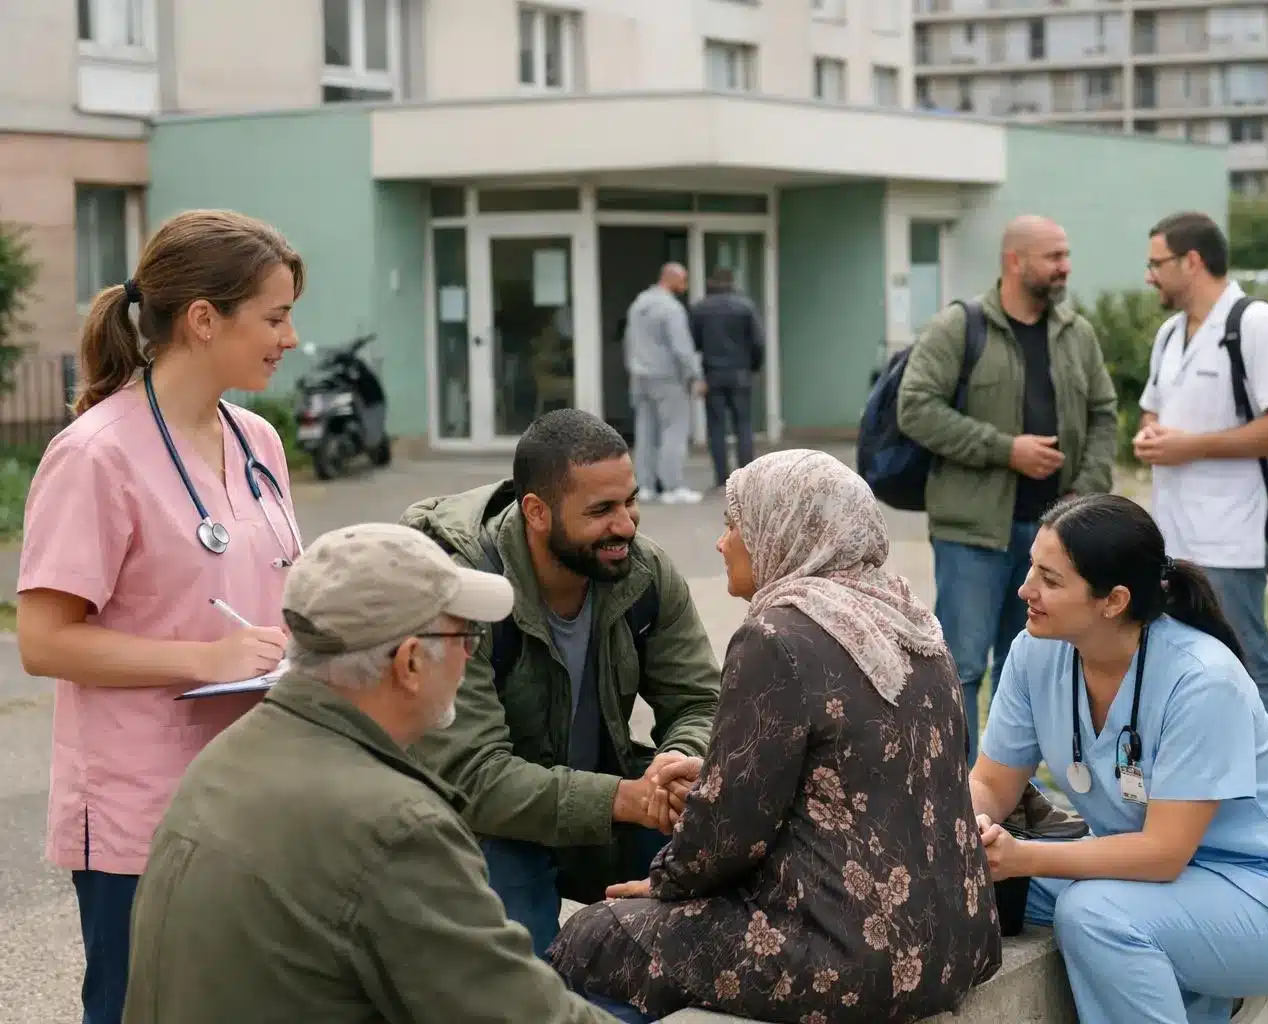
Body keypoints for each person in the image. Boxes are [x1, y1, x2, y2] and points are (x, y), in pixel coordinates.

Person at [551, 450, 1002, 1023]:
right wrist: (716, 774)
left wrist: (663, 884)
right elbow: (853, 772)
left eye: (734, 524)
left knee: (595, 934)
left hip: (852, 954)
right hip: (958, 940)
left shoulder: (776, 636)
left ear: (785, 529)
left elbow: (728, 834)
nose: (722, 543)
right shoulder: (912, 621)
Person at [122, 523, 620, 1023]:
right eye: (465, 636)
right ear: (409, 663)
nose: (470, 655)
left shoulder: (226, 758)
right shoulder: (395, 825)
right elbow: (520, 1014)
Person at [15, 209, 305, 1024]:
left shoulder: (257, 441)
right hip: (140, 811)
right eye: (275, 317)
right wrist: (206, 659)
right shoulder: (94, 454)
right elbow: (43, 641)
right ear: (204, 320)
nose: (289, 338)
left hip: (253, 794)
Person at [969, 493, 1268, 1024]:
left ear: (1113, 601)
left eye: (1050, 580)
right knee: (969, 887)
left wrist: (1025, 857)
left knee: (1094, 915)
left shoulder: (1201, 679)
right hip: (1150, 878)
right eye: (1032, 567)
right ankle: (1203, 997)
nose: (1025, 588)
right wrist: (972, 829)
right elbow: (991, 783)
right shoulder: (1035, 653)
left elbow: (1164, 853)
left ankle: (1218, 988)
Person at [402, 408, 720, 956]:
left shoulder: (644, 573)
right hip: (485, 827)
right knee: (522, 976)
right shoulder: (464, 591)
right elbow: (473, 777)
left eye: (630, 501)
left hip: (600, 810)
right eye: (601, 510)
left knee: (736, 882)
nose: (626, 525)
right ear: (536, 512)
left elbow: (701, 702)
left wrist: (676, 764)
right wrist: (624, 798)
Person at [897, 214, 1118, 764]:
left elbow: (1103, 414)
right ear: (1015, 261)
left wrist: (1085, 495)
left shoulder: (1076, 333)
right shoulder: (959, 327)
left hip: (1054, 540)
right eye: (1054, 257)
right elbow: (916, 408)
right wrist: (1005, 449)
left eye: (1066, 255)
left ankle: (1015, 788)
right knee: (963, 667)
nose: (1066, 267)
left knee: (1033, 667)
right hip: (974, 535)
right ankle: (960, 790)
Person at [1134, 211, 1268, 782]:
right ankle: (1208, 783)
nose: (1149, 276)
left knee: (1251, 663)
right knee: (1182, 667)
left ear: (1192, 261)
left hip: (1233, 533)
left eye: (1156, 264)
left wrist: (1193, 447)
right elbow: (1154, 408)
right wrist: (1151, 434)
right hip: (1173, 533)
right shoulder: (1170, 333)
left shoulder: (1257, 325)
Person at [624, 262, 704, 504]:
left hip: (640, 376)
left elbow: (629, 341)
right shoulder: (671, 309)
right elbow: (681, 347)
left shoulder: (638, 304)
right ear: (672, 278)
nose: (685, 286)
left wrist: (633, 367)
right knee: (674, 430)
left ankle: (645, 486)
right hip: (668, 377)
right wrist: (695, 375)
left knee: (645, 432)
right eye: (684, 280)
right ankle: (672, 486)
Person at [689, 266, 765, 488]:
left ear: (711, 282)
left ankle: (721, 476)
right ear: (732, 283)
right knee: (743, 425)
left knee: (716, 427)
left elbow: (693, 343)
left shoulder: (700, 308)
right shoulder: (745, 306)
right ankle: (746, 475)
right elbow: (758, 342)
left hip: (712, 373)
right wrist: (753, 367)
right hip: (740, 373)